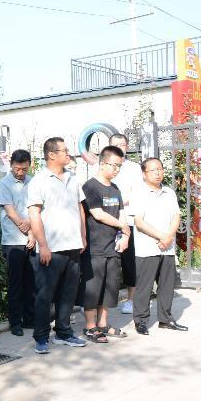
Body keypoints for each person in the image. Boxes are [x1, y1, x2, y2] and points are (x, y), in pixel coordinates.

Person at [26, 137, 88, 354]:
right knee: (45, 295)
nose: (68, 153)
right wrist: (43, 245)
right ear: (51, 155)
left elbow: (80, 208)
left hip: (73, 245)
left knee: (68, 294)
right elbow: (34, 214)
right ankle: (41, 337)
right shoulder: (39, 181)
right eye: (64, 150)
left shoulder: (73, 178)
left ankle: (64, 332)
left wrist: (83, 236)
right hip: (51, 249)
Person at [80, 145, 130, 343]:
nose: (116, 169)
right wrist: (122, 226)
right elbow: (98, 214)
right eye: (113, 165)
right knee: (93, 288)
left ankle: (103, 324)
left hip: (113, 247)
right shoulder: (89, 186)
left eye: (119, 166)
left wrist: (125, 236)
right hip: (95, 247)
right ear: (102, 164)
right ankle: (90, 327)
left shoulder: (115, 188)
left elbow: (122, 213)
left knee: (110, 288)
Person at [131, 158, 187, 334]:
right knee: (144, 287)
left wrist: (168, 237)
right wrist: (163, 236)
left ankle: (165, 319)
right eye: (153, 170)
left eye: (160, 169)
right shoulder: (138, 193)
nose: (157, 173)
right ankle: (140, 321)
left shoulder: (169, 192)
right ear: (144, 174)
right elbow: (139, 223)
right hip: (147, 248)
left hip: (167, 247)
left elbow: (176, 216)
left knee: (167, 285)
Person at [0, 150, 35, 337]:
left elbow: (37, 209)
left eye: (24, 169)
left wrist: (33, 233)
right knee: (15, 284)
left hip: (32, 239)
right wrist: (27, 228)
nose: (20, 172)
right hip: (13, 241)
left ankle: (30, 319)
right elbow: (10, 212)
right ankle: (15, 322)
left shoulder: (33, 182)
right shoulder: (4, 184)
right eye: (17, 169)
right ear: (11, 165)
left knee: (31, 282)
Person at [109, 133, 142, 314]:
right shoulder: (104, 166)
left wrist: (114, 202)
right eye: (115, 144)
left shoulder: (134, 168)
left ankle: (132, 300)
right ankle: (104, 300)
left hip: (128, 220)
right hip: (108, 220)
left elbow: (136, 193)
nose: (119, 147)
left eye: (122, 144)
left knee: (130, 262)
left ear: (127, 147)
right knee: (108, 262)